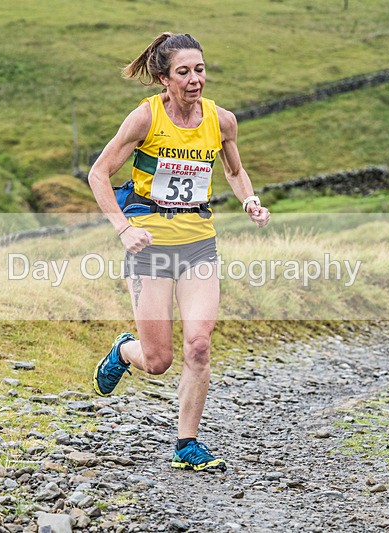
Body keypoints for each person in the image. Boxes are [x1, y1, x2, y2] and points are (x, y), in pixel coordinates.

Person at [89, 33, 270, 473]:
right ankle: (122, 352)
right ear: (163, 78)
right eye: (183, 72)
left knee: (200, 344)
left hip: (198, 244)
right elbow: (99, 173)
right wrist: (122, 227)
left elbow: (235, 168)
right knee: (158, 361)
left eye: (200, 70)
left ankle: (186, 444)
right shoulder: (144, 119)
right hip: (150, 245)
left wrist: (248, 199)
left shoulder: (221, 120)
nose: (194, 80)